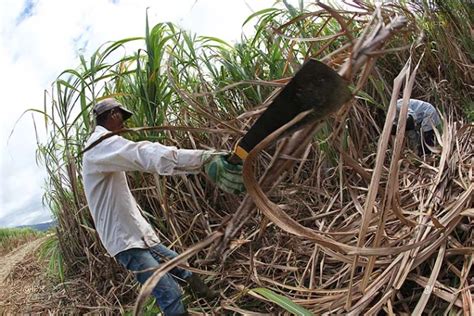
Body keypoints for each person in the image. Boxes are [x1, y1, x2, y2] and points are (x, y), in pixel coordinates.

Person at [82, 98, 244, 316]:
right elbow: (144, 154)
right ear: (112, 114)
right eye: (122, 117)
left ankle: (212, 301)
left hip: (137, 234)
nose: (125, 124)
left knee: (181, 268)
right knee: (168, 292)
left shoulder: (104, 147)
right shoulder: (100, 145)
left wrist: (199, 164)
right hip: (125, 241)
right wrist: (203, 158)